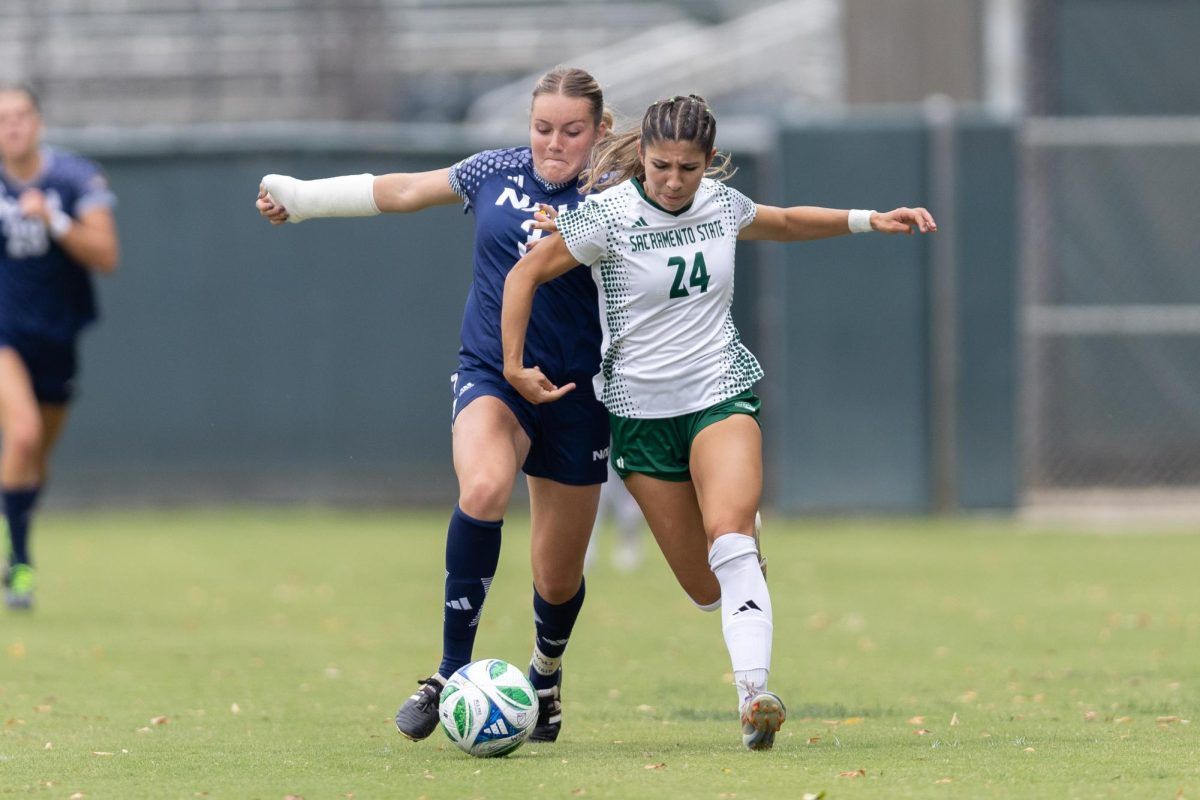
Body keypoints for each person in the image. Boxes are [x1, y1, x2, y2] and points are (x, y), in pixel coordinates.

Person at [501, 94, 936, 750]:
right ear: (642, 158)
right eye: (661, 166)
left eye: (689, 168)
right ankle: (739, 573)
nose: (674, 181)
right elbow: (526, 273)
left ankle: (754, 699)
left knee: (731, 539)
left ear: (709, 163)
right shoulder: (609, 215)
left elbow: (785, 222)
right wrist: (510, 364)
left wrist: (870, 219)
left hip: (719, 391)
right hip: (642, 417)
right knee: (708, 588)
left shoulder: (721, 205)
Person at [255, 67, 610, 744]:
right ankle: (449, 673)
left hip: (576, 391)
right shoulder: (493, 171)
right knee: (482, 488)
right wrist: (301, 199)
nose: (553, 144)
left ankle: (547, 672)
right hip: (494, 374)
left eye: (571, 131)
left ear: (598, 132)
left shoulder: (617, 196)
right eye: (542, 129)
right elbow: (405, 190)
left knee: (557, 578)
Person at [0, 83, 119, 610]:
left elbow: (106, 255)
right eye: (2, 119)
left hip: (57, 336)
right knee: (21, 436)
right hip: (5, 335)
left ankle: (18, 532)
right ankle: (20, 564)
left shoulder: (73, 178)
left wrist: (55, 218)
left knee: (36, 457)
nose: (12, 126)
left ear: (39, 123)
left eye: (21, 115)